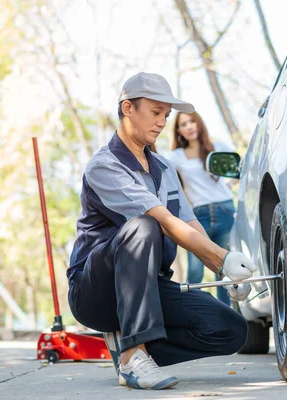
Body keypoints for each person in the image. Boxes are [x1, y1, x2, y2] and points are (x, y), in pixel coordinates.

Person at [67, 72, 256, 390]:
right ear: (128, 108)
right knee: (143, 225)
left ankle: (130, 346)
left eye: (166, 116)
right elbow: (164, 221)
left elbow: (189, 223)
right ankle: (133, 357)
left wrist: (224, 271)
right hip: (95, 290)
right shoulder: (105, 166)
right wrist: (221, 258)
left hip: (147, 289)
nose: (162, 122)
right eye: (155, 112)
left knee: (231, 329)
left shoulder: (165, 169)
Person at [166, 111, 236, 305]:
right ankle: (193, 311)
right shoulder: (176, 156)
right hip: (198, 216)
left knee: (224, 268)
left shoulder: (218, 147)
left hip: (225, 211)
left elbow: (238, 169)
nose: (189, 126)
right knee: (195, 270)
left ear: (199, 123)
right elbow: (162, 177)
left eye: (192, 122)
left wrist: (228, 186)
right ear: (178, 130)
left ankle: (226, 316)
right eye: (183, 124)